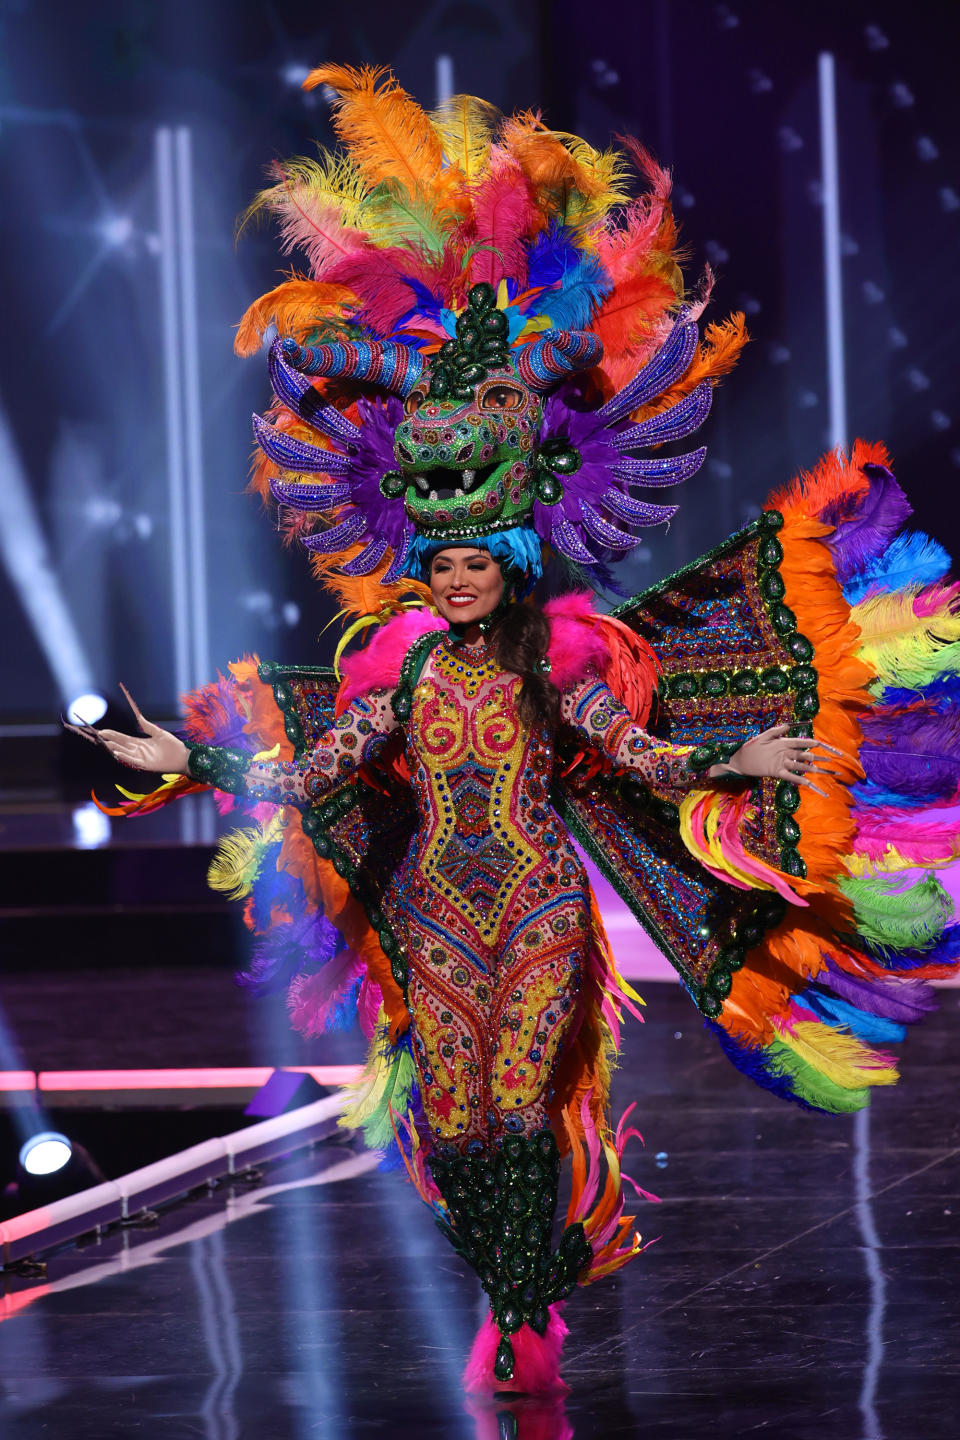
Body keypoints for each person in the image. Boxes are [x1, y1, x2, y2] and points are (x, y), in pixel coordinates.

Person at [67, 64, 960, 1394]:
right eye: (440, 561)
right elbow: (316, 769)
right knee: (458, 1122)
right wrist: (192, 763)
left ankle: (529, 1304)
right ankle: (505, 1280)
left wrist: (736, 757)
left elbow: (635, 752)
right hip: (434, 912)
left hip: (537, 909)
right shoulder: (400, 663)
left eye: (474, 560)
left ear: (511, 554)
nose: (453, 575)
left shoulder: (558, 657)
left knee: (530, 1102)